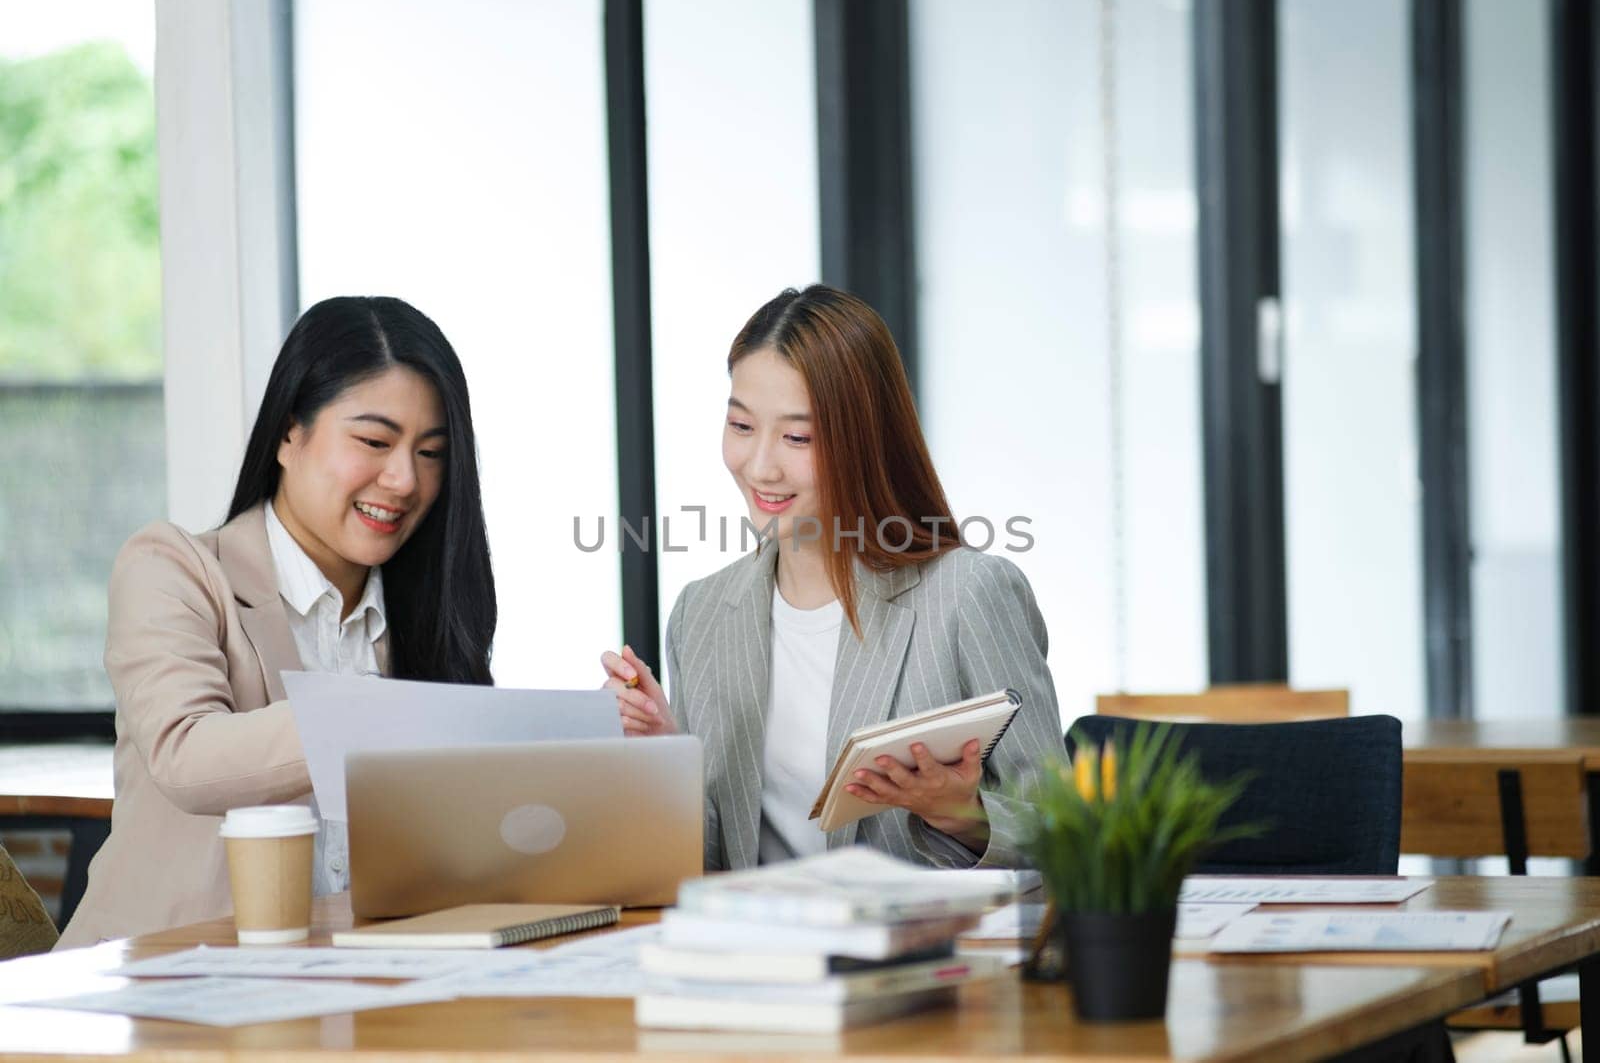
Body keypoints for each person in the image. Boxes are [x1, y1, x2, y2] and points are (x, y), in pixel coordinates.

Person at [57, 296, 495, 947]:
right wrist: (381, 712)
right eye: (374, 441)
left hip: (354, 991)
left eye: (431, 453)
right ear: (290, 433)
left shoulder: (424, 619)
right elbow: (189, 755)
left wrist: (564, 756)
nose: (403, 478)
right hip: (164, 994)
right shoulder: (174, 568)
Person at [602, 284, 1061, 871]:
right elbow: (715, 865)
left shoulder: (968, 594)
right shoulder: (703, 613)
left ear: (865, 440)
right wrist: (663, 759)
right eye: (741, 426)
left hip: (921, 951)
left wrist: (960, 812)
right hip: (759, 953)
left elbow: (1067, 837)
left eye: (797, 437)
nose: (760, 465)